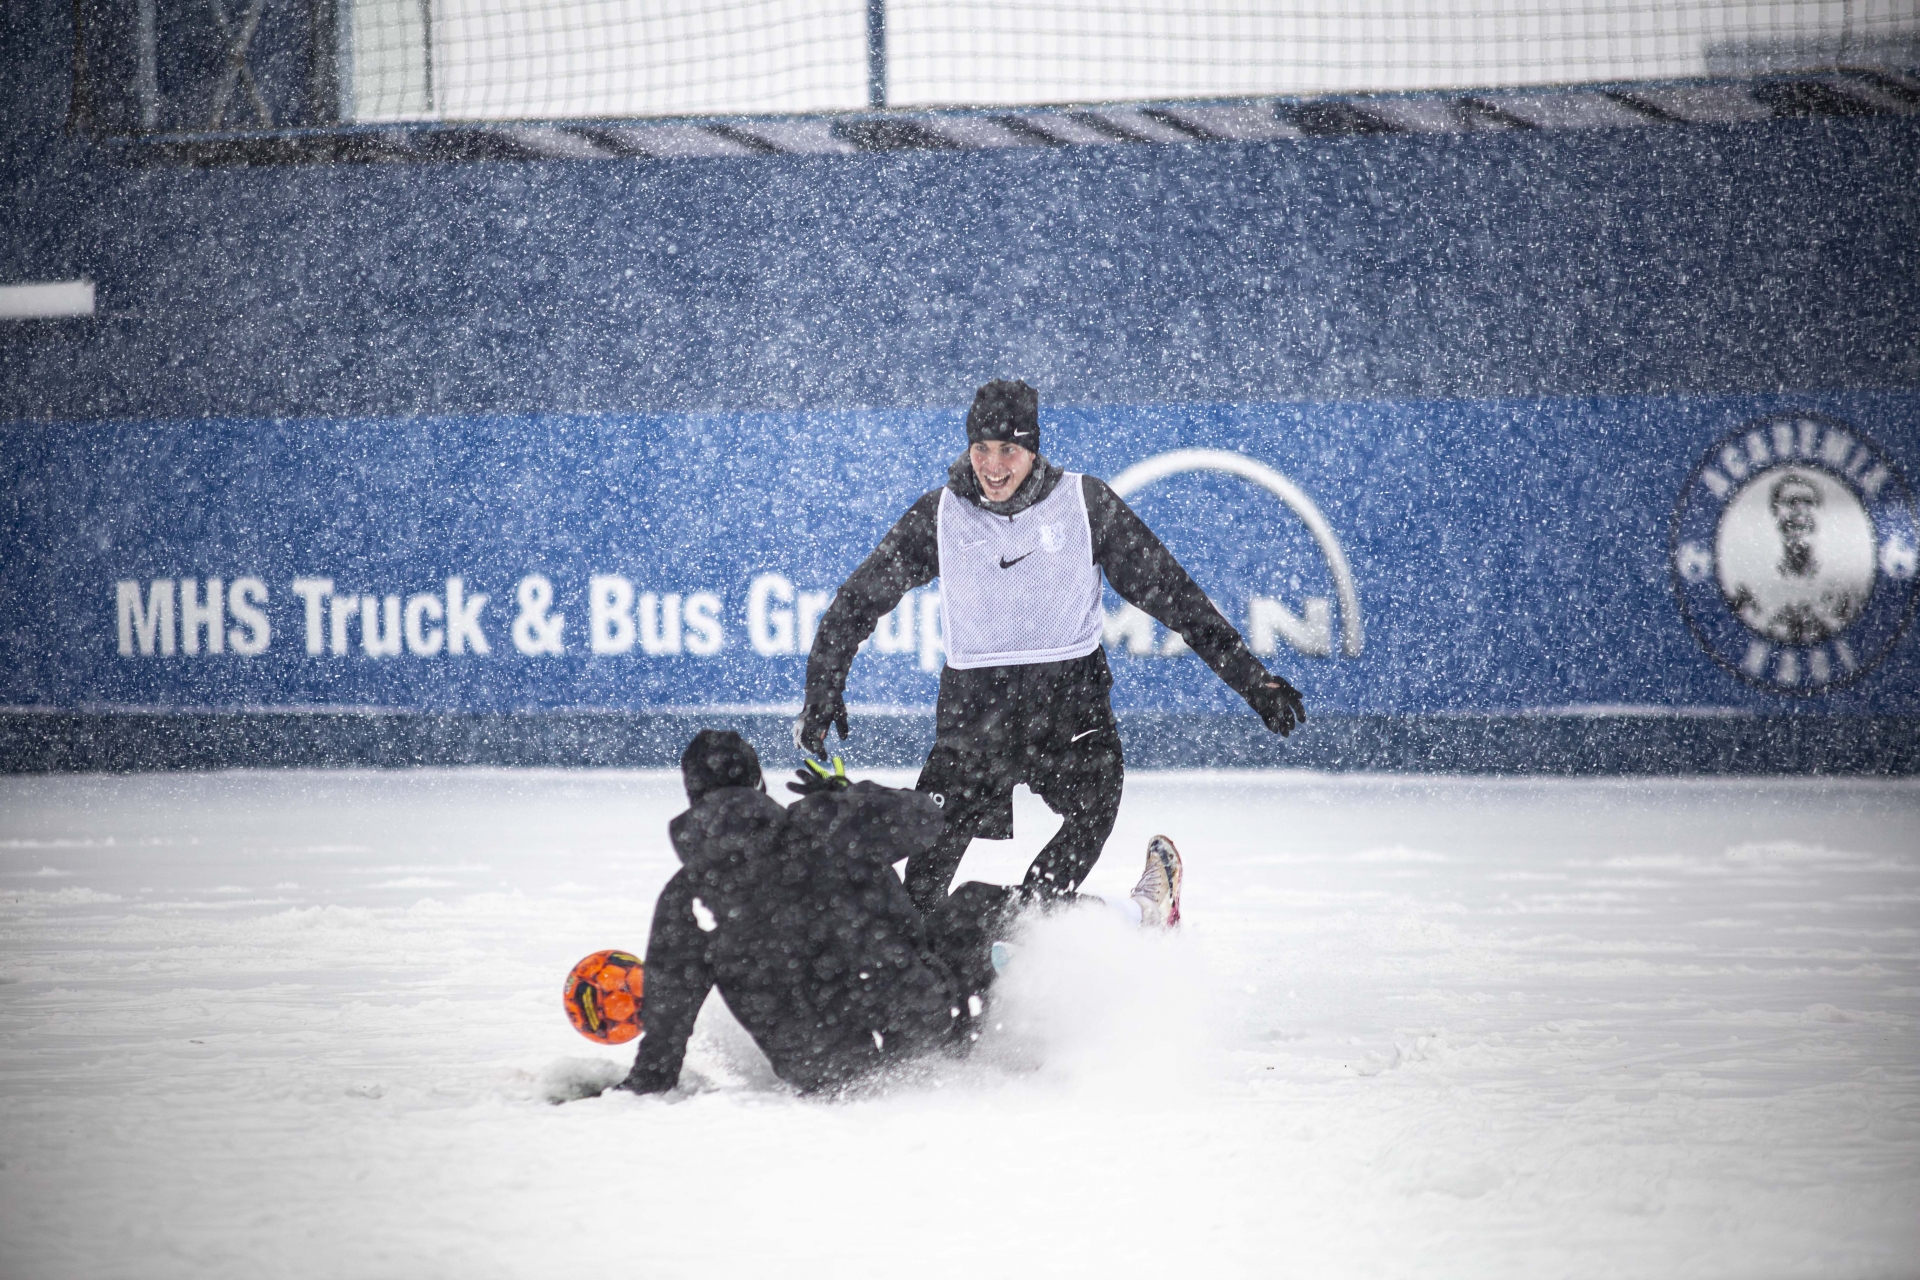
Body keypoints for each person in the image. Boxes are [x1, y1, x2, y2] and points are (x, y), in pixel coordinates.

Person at [795, 378, 1305, 912]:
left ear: (1033, 449)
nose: (992, 466)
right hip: (975, 716)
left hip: (1070, 708)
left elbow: (1177, 598)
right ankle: (1005, 928)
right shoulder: (939, 516)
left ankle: (1047, 920)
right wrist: (823, 690)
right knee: (919, 894)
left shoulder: (1085, 504)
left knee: (1094, 811)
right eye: (981, 448)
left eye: (1008, 449)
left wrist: (1252, 679)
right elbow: (855, 603)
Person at [620, 730, 1011, 1096]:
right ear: (758, 781)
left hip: (823, 1071)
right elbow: (926, 818)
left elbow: (666, 1027)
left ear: (692, 796)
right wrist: (849, 794)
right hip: (919, 1029)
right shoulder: (825, 821)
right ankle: (1025, 1002)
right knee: (977, 901)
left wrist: (640, 1084)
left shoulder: (685, 897)